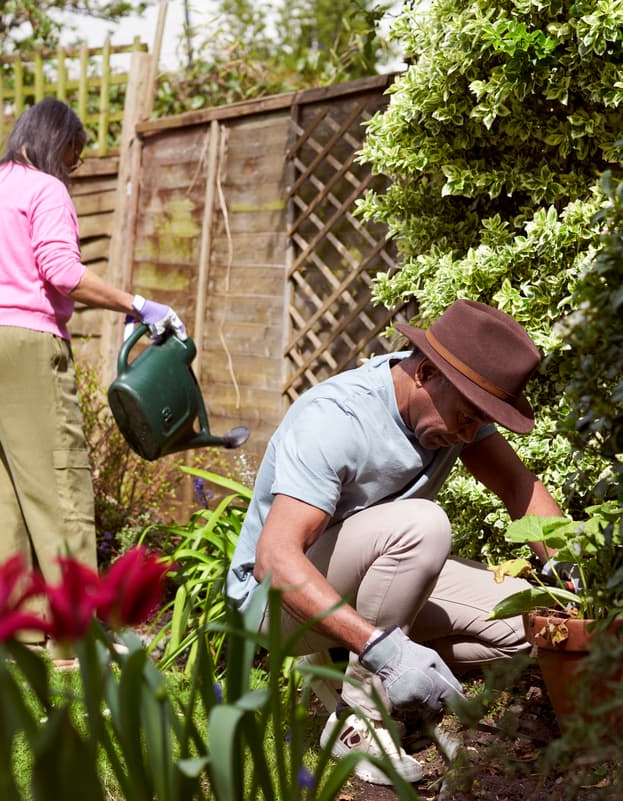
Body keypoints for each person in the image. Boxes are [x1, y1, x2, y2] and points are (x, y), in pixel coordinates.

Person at [226, 299, 564, 785]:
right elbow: (275, 561)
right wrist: (381, 648)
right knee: (423, 526)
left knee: (528, 625)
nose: (469, 433)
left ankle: (403, 687)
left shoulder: (456, 417)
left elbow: (519, 488)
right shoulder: (337, 418)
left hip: (368, 578)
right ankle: (358, 721)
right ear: (426, 372)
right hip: (272, 607)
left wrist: (576, 580)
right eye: (466, 417)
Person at [0, 97, 186, 665]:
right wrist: (138, 303)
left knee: (6, 503)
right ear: (58, 143)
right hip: (24, 349)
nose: (71, 172)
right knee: (61, 492)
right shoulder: (42, 189)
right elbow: (61, 270)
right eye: (73, 158)